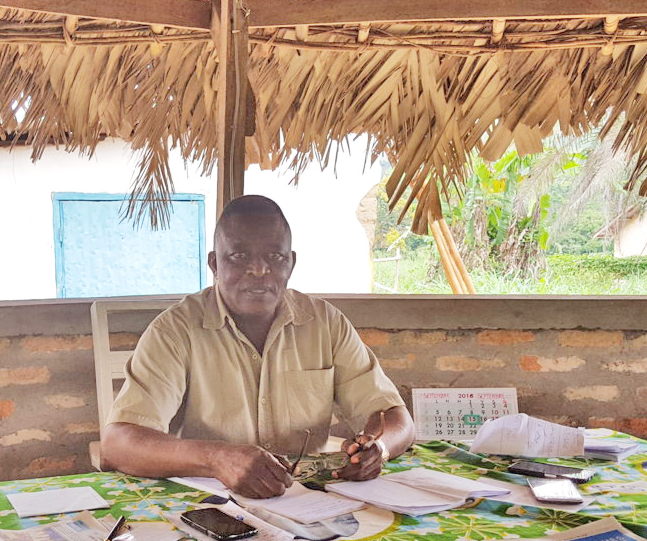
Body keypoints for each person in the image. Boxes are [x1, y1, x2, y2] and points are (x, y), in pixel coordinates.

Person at [99, 195, 414, 499]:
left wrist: (378, 448)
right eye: (239, 257)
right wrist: (217, 460)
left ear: (290, 264)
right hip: (210, 503)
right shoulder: (176, 330)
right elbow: (117, 444)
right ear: (214, 264)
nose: (259, 270)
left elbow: (394, 418)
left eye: (275, 258)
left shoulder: (325, 324)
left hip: (305, 500)